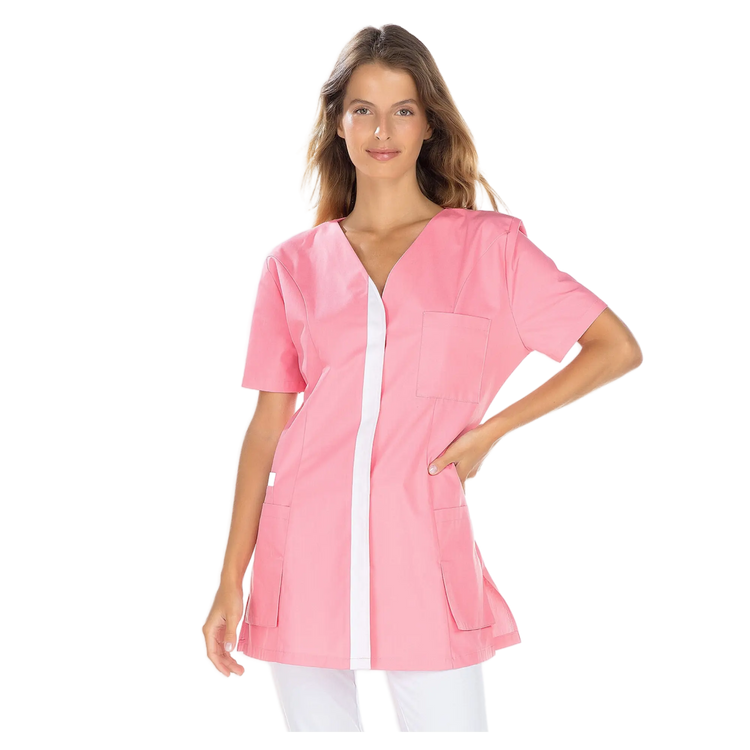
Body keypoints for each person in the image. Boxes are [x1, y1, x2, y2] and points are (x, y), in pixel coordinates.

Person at [199, 20, 646, 735]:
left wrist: (493, 430)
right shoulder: (290, 264)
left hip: (423, 562)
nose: (383, 131)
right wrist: (228, 583)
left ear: (429, 122)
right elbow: (265, 428)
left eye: (403, 109)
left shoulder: (490, 248)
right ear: (336, 123)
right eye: (363, 109)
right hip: (300, 561)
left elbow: (614, 348)